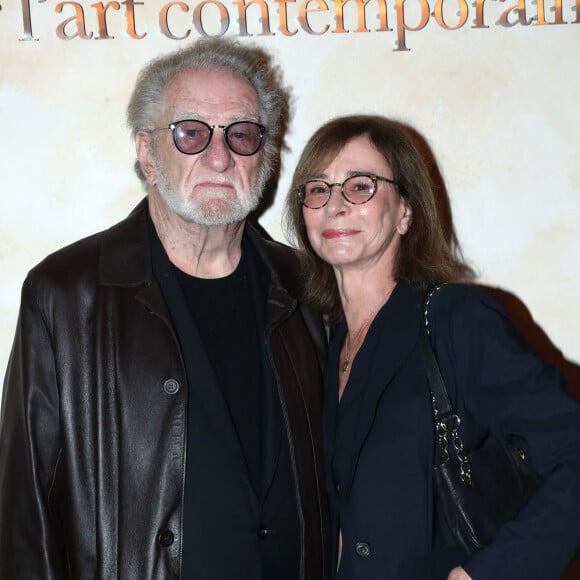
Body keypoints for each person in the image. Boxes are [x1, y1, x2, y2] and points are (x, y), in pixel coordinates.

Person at [0, 38, 330, 580]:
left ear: (265, 161)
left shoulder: (306, 288)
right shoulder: (65, 294)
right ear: (148, 153)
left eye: (241, 135)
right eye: (191, 133)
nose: (219, 157)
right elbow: (23, 511)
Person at [284, 114, 580, 580]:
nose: (335, 205)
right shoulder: (319, 342)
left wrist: (489, 574)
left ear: (405, 211)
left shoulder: (456, 319)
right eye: (318, 189)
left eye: (360, 185)